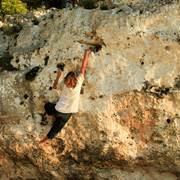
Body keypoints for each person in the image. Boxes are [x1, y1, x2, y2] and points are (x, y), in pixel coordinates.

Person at [39, 49, 92, 146]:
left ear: (66, 78)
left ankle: (53, 117)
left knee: (47, 106)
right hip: (68, 113)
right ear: (75, 77)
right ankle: (43, 141)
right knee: (56, 129)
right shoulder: (79, 82)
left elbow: (54, 86)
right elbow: (83, 67)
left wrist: (59, 76)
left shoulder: (63, 84)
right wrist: (86, 54)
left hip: (58, 110)